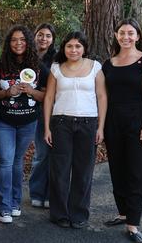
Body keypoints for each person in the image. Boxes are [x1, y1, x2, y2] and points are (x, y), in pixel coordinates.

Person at [102, 18, 142, 243]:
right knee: (117, 168)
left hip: (137, 121)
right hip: (113, 121)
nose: (126, 37)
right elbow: (103, 96)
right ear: (116, 35)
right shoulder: (109, 63)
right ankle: (123, 212)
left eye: (130, 33)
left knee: (136, 171)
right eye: (122, 33)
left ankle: (133, 224)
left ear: (137, 36)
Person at [43, 31, 107, 229]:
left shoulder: (95, 67)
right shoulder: (56, 68)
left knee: (83, 170)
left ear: (84, 48)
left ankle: (79, 214)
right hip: (61, 123)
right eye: (69, 46)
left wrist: (101, 127)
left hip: (88, 124)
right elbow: (48, 98)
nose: (73, 50)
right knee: (60, 170)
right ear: (64, 48)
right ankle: (59, 214)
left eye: (78, 46)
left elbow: (102, 97)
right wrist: (47, 127)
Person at [0, 24, 47, 223]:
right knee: (6, 161)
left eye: (22, 40)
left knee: (17, 161)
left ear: (28, 43)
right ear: (8, 43)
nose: (18, 43)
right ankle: (3, 206)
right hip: (3, 122)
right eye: (14, 40)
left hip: (28, 122)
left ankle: (15, 202)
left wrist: (31, 91)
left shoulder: (38, 67)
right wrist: (7, 92)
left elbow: (48, 96)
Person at [29, 23, 57, 209]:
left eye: (48, 36)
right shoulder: (27, 56)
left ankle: (50, 194)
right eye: (40, 35)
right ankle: (37, 192)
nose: (43, 39)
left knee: (54, 153)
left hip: (55, 110)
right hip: (33, 110)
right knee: (41, 153)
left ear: (53, 39)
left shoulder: (56, 59)